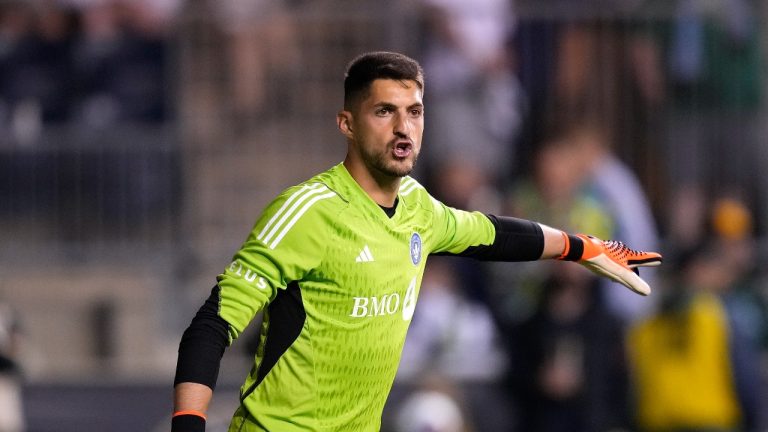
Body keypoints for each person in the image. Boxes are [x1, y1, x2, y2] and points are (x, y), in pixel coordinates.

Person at [172, 51, 662, 432]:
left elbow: (493, 234)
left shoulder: (419, 209)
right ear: (347, 123)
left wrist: (583, 247)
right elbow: (212, 325)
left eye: (414, 112)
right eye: (384, 111)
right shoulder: (308, 211)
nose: (403, 128)